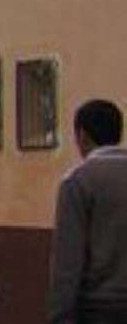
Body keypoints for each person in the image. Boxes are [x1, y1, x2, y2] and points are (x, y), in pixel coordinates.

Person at [50, 99, 127, 324]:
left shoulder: (78, 182)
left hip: (99, 308)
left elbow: (68, 259)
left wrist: (60, 314)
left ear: (82, 135)